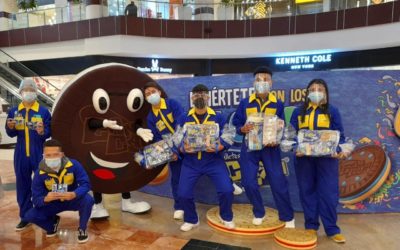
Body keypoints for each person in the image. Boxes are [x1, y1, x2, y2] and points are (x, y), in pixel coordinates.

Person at [232, 66, 294, 227]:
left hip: (270, 148)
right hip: (250, 148)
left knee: (278, 182)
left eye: (266, 79)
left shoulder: (278, 104)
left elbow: (282, 125)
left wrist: (278, 136)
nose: (262, 82)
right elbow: (236, 123)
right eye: (259, 79)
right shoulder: (245, 103)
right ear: (254, 83)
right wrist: (242, 129)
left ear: (271, 83)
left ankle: (287, 217)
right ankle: (259, 212)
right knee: (248, 182)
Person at [289, 79, 347, 243]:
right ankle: (311, 227)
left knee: (329, 194)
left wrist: (338, 150)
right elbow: (291, 134)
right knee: (307, 193)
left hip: (327, 161)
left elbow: (340, 135)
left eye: (320, 89)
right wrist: (295, 148)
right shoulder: (298, 112)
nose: (316, 92)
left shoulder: (333, 111)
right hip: (304, 160)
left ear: (326, 93)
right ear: (307, 93)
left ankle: (332, 229)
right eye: (313, 89)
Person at [178, 84, 234, 232]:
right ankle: (191, 219)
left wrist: (220, 145)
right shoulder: (184, 117)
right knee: (183, 193)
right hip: (190, 162)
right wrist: (183, 148)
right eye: (196, 94)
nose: (199, 97)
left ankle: (226, 216)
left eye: (202, 94)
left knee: (227, 190)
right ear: (192, 98)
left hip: (213, 161)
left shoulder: (218, 117)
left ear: (208, 97)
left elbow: (228, 136)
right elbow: (176, 139)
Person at [24, 139, 94, 243]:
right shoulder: (39, 173)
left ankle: (82, 229)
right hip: (53, 203)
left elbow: (86, 184)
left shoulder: (74, 165)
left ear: (61, 154)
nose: (52, 158)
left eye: (55, 154)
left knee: (88, 200)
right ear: (43, 156)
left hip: (72, 199)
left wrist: (75, 193)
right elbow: (36, 199)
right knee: (29, 215)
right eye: (48, 155)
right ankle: (51, 226)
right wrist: (46, 199)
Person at [5, 79, 51, 231]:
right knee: (22, 185)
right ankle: (25, 216)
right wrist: (10, 127)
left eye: (31, 89)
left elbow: (49, 132)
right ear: (20, 92)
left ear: (36, 92)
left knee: (42, 184)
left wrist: (42, 131)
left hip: (38, 152)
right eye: (25, 89)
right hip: (20, 153)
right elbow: (11, 133)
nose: (28, 92)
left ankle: (44, 214)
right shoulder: (14, 111)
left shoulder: (43, 111)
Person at [143, 81, 185, 220]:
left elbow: (182, 121)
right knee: (177, 179)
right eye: (147, 94)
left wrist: (178, 142)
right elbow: (156, 138)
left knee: (208, 165)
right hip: (172, 152)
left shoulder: (172, 103)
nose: (151, 95)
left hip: (186, 144)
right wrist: (168, 151)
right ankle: (179, 207)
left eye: (153, 92)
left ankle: (229, 183)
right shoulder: (150, 117)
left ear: (159, 92)